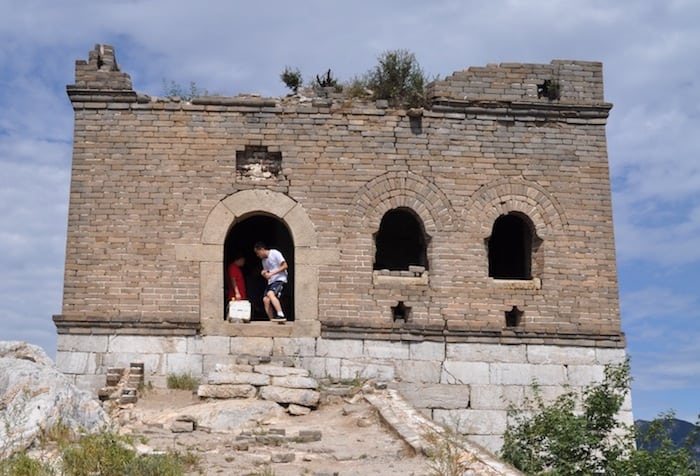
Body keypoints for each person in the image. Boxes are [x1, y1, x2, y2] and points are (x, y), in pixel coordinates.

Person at [253, 242, 288, 322]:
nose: (258, 256)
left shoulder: (275, 253)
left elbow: (285, 265)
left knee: (270, 294)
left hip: (280, 279)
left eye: (258, 253)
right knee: (266, 299)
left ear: (262, 249)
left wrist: (273, 273)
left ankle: (280, 314)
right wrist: (264, 273)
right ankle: (271, 319)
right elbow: (266, 271)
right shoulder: (264, 261)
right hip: (271, 281)